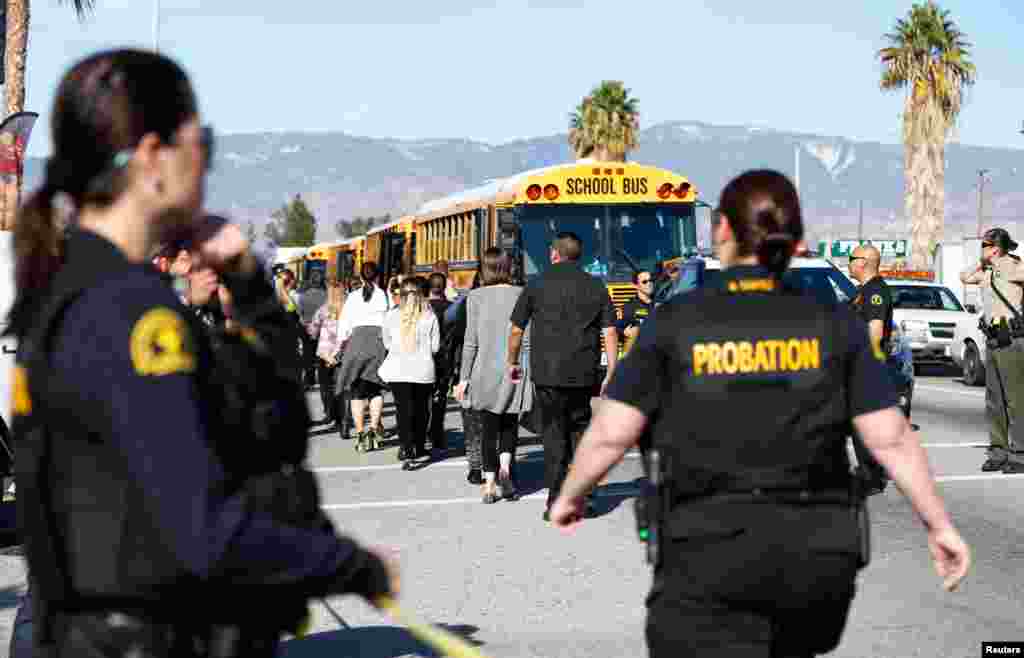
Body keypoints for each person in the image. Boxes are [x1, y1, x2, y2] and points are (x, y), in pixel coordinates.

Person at [6, 49, 399, 658]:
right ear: (152, 157)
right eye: (202, 145)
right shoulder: (135, 317)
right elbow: (202, 532)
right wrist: (349, 565)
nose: (206, 165)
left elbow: (272, 416)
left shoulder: (63, 291)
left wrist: (245, 280)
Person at [548, 169, 971, 658]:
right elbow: (891, 438)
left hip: (704, 556)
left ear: (721, 230)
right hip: (815, 563)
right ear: (796, 241)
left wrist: (571, 494)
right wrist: (939, 525)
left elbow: (610, 433)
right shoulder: (833, 323)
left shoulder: (676, 321)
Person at [508, 231, 619, 522]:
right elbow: (609, 331)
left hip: (547, 373)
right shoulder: (596, 286)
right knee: (581, 433)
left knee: (554, 436)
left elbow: (517, 329)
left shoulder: (536, 284)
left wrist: (512, 361)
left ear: (554, 254)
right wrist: (612, 371)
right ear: (578, 255)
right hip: (584, 373)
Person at [456, 248, 532, 503]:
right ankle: (506, 471)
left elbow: (470, 343)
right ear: (508, 267)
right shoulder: (521, 293)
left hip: (483, 370)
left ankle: (489, 485)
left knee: (488, 428)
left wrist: (463, 378)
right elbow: (526, 339)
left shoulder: (475, 297)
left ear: (485, 268)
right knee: (510, 424)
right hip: (513, 369)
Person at [961, 227, 1024, 473]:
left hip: (1011, 339)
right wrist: (981, 263)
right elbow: (964, 276)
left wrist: (1008, 264)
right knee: (994, 400)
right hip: (993, 340)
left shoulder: (1014, 267)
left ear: (996, 248)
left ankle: (1019, 454)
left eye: (985, 246)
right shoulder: (985, 272)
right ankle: (998, 451)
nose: (982, 249)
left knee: (1015, 400)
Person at [848, 244, 895, 493]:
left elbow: (875, 333)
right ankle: (869, 471)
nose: (849, 263)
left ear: (864, 262)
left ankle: (873, 477)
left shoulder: (875, 291)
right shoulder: (863, 291)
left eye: (851, 258)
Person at [379, 276, 440, 467]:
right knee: (421, 410)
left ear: (401, 295)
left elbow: (387, 342)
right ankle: (420, 446)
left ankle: (406, 448)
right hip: (422, 370)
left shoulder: (391, 315)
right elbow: (435, 347)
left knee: (403, 409)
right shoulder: (429, 316)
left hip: (398, 369)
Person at [337, 261, 391, 452]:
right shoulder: (385, 295)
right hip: (377, 344)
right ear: (377, 276)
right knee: (376, 391)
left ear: (360, 277)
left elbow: (343, 325)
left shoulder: (352, 297)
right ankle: (374, 429)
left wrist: (339, 345)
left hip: (356, 343)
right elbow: (389, 322)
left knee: (356, 392)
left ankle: (359, 433)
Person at [449, 271, 485, 484]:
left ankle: (475, 466)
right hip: (498, 366)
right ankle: (498, 462)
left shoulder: (467, 303)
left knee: (471, 420)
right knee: (497, 419)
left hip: (470, 366)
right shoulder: (510, 298)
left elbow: (456, 332)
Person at [308, 280, 347, 429]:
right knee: (340, 386)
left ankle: (329, 414)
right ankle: (341, 418)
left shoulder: (323, 309)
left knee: (325, 387)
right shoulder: (349, 310)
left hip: (324, 353)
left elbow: (313, 330)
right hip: (342, 354)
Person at [426, 272, 454, 452]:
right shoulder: (452, 308)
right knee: (440, 398)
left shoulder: (423, 308)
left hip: (425, 357)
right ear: (444, 287)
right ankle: (437, 434)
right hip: (445, 358)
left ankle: (424, 432)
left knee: (423, 398)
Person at [617, 269, 655, 355]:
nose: (649, 284)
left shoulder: (659, 303)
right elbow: (617, 328)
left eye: (651, 280)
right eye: (644, 282)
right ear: (636, 285)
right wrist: (624, 332)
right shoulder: (629, 307)